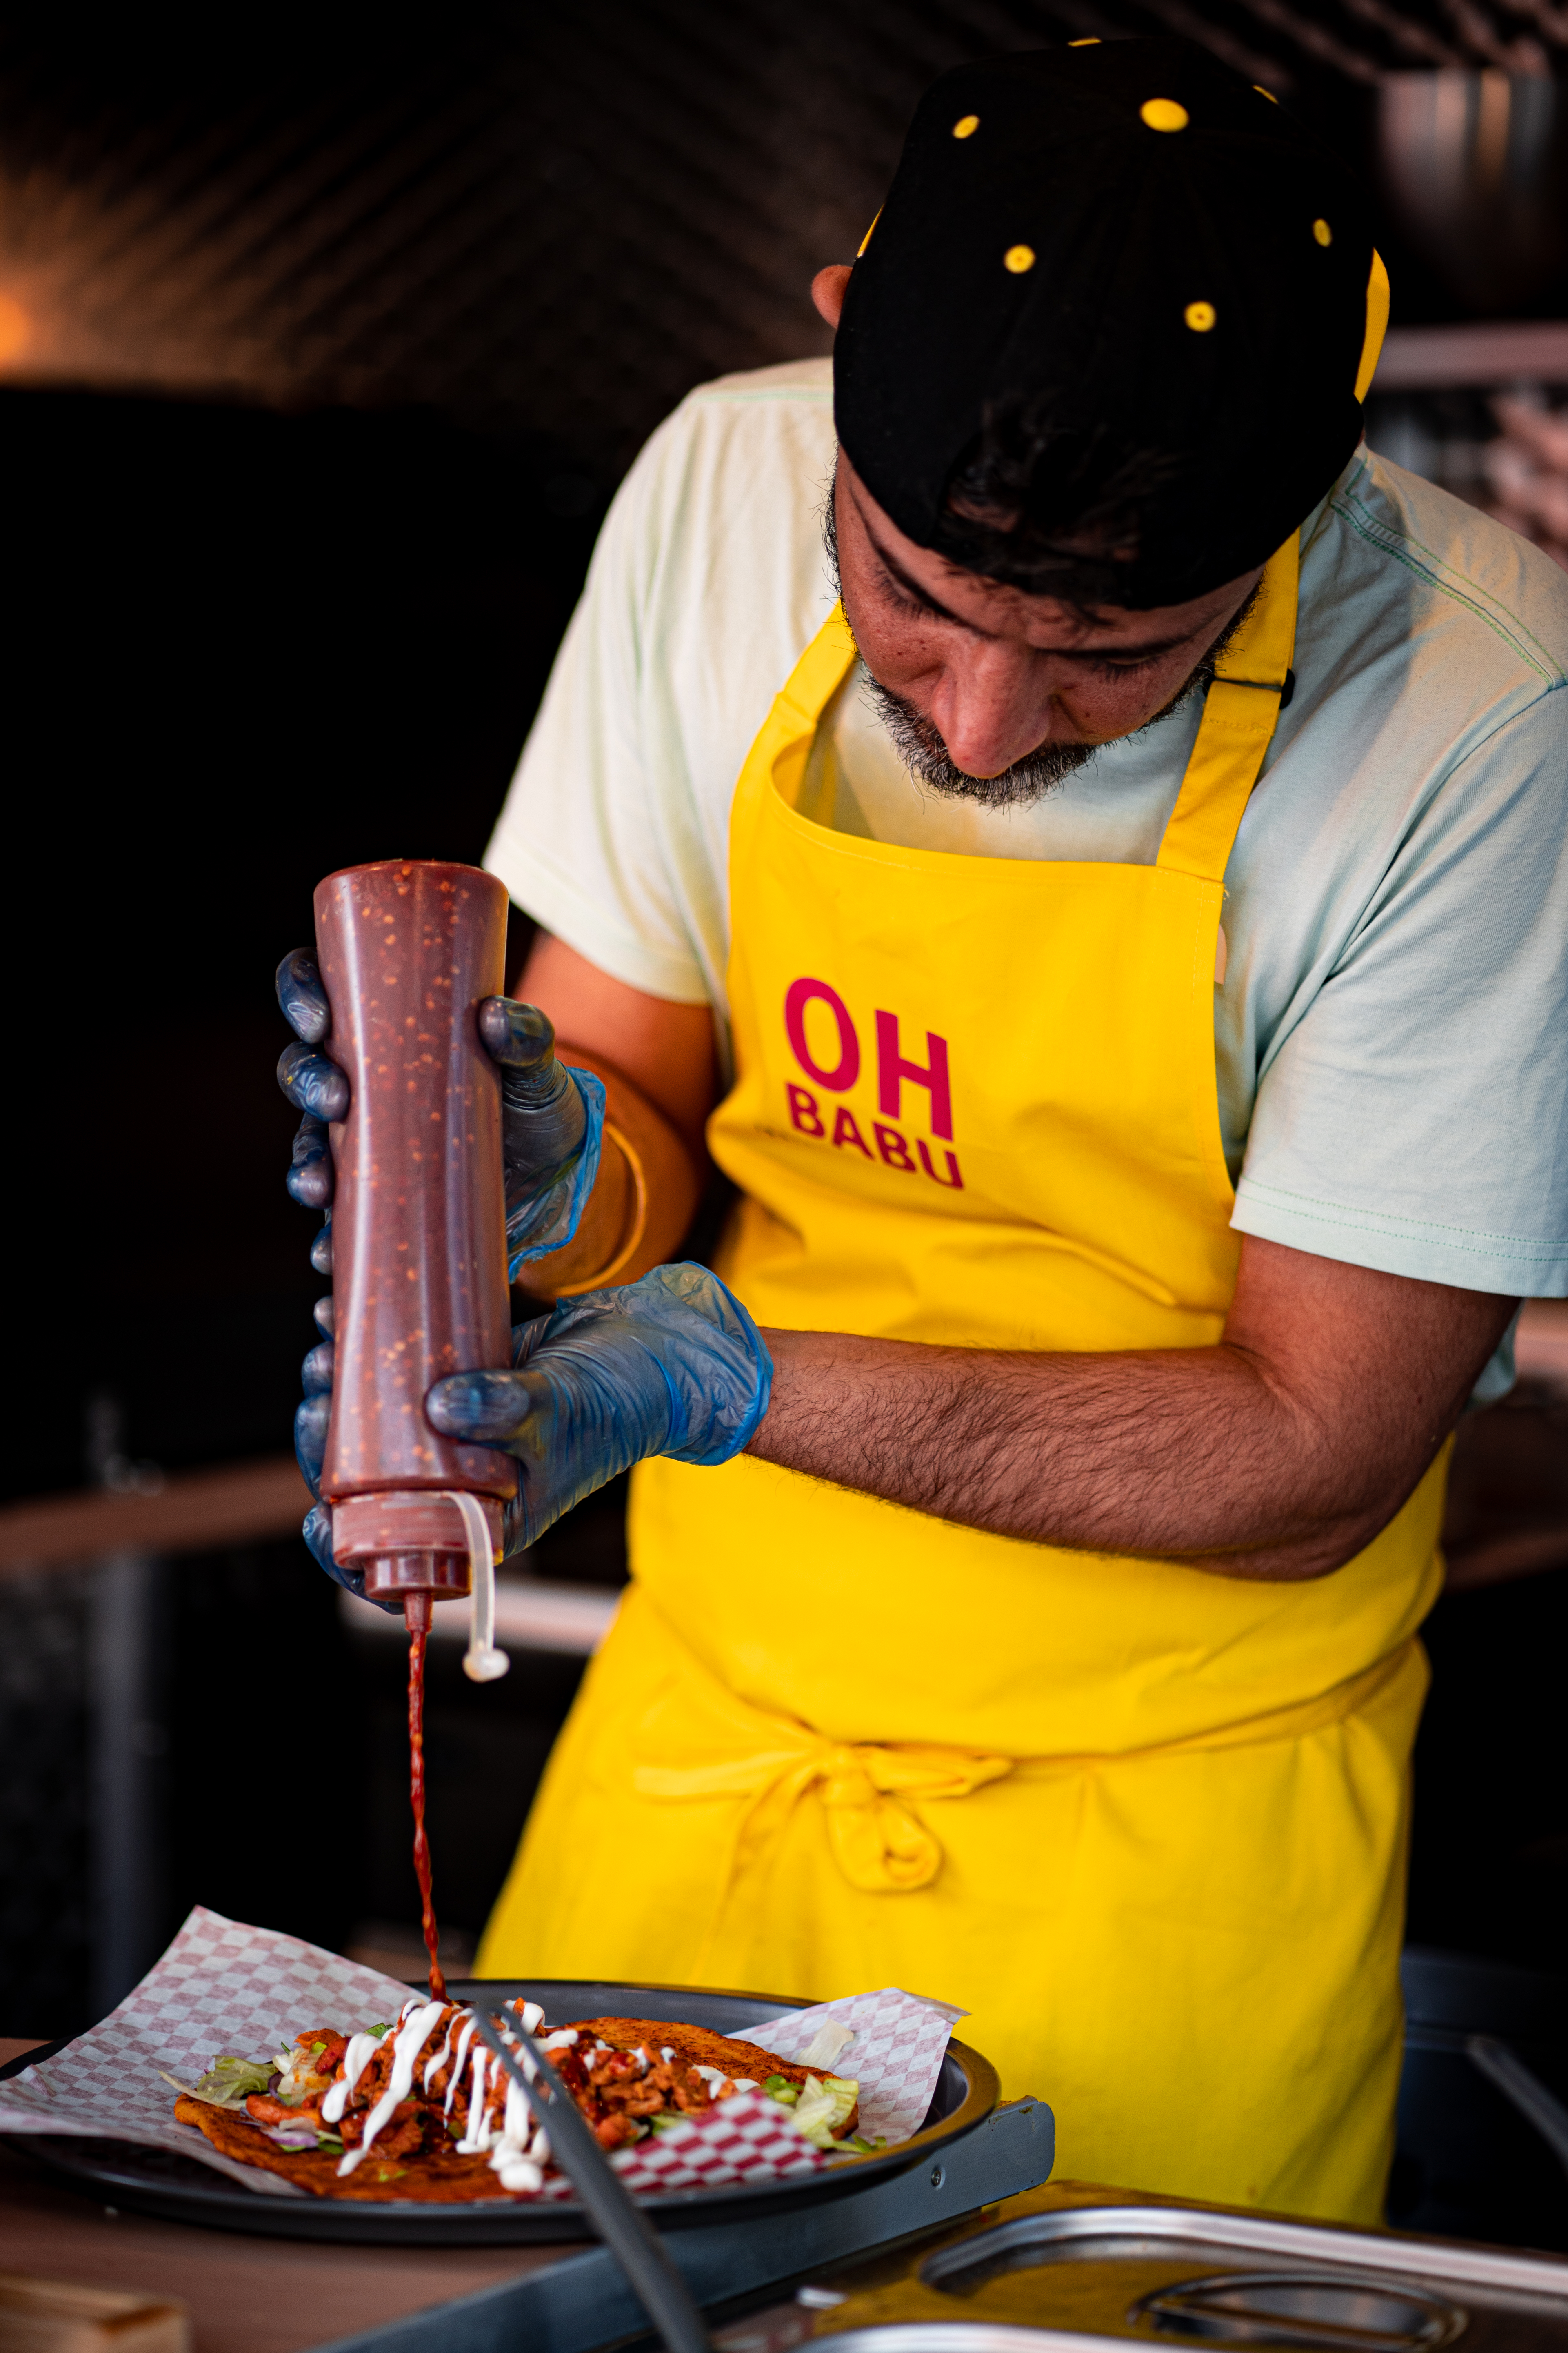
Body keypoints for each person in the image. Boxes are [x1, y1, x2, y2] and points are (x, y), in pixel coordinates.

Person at [277, 38, 1568, 2224]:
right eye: (908, 599)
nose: (978, 721)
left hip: (1162, 1845)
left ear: (1306, 509)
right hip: (693, 1763)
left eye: (1106, 658)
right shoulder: (710, 493)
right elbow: (658, 1113)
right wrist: (567, 1179)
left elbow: (1307, 1447)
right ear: (833, 328)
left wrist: (720, 1374)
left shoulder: (1482, 712)